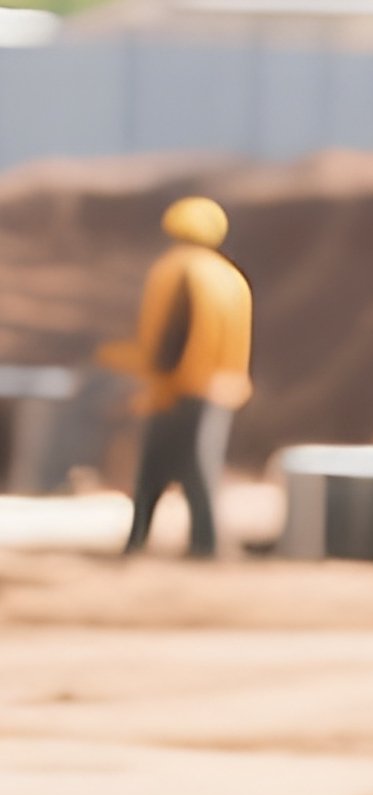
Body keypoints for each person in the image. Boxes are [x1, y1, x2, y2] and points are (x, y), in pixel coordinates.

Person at [98, 196, 252, 558]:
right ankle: (199, 543)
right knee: (194, 467)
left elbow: (172, 333)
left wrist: (157, 379)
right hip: (219, 389)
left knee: (170, 469)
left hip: (178, 388)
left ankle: (183, 544)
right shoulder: (229, 276)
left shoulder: (176, 270)